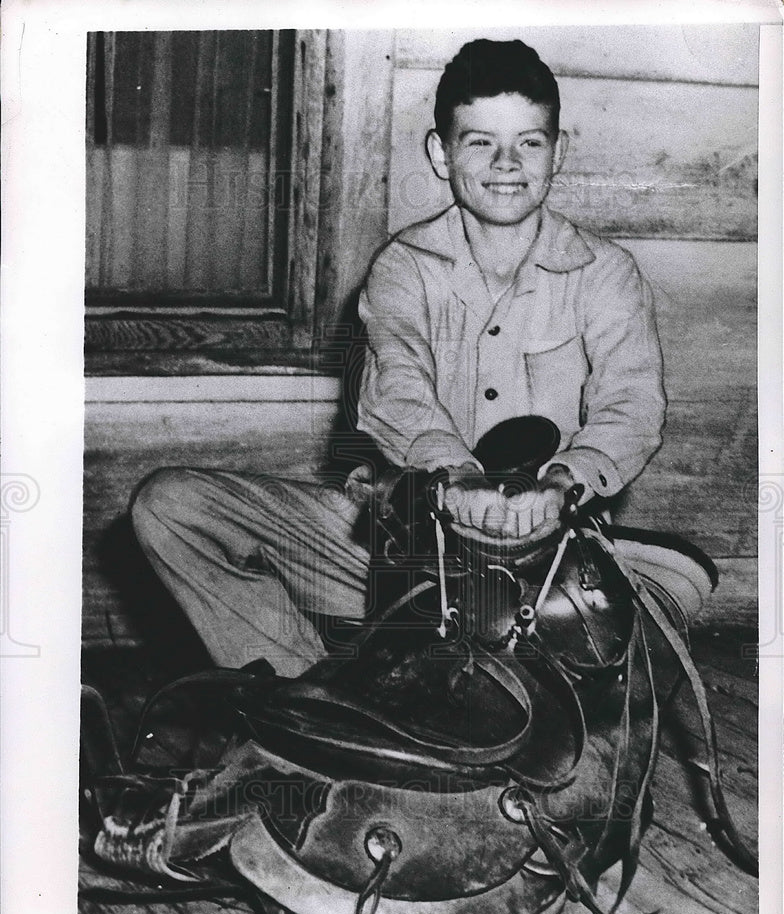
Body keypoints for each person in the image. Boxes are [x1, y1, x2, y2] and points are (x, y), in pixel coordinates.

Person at [131, 38, 665, 677]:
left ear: (559, 152)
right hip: (405, 556)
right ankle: (309, 695)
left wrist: (560, 482)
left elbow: (631, 408)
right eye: (479, 142)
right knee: (170, 506)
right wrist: (455, 475)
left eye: (529, 141)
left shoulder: (607, 275)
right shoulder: (404, 267)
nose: (506, 163)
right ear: (440, 155)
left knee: (635, 628)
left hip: (546, 565)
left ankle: (497, 678)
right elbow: (398, 386)